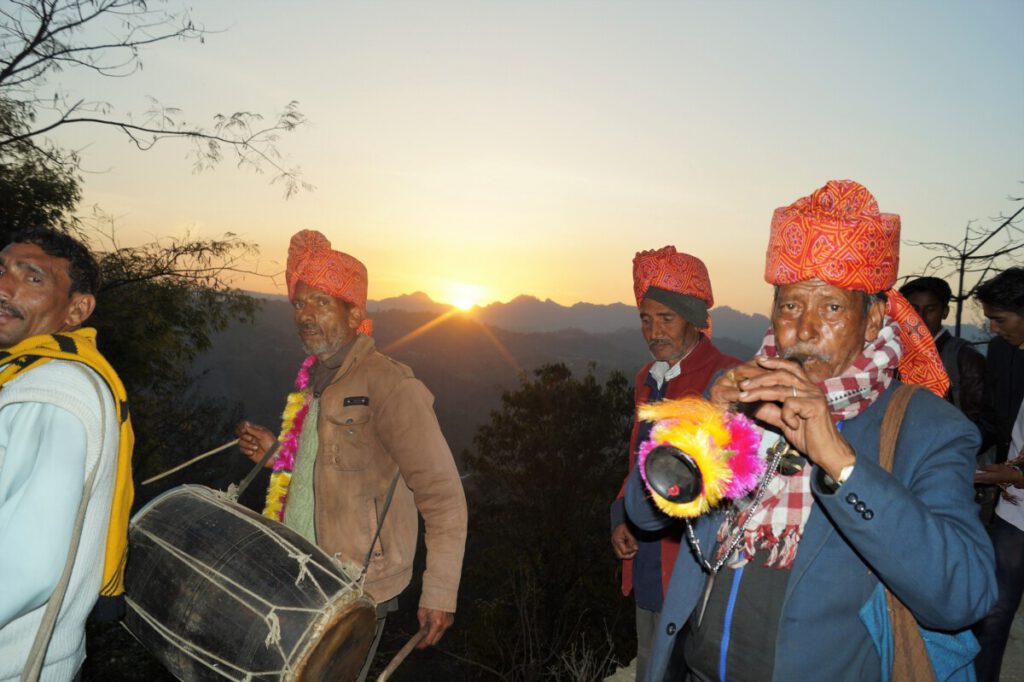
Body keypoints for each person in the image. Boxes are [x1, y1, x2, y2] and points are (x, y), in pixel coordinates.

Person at [625, 180, 996, 681]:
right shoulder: (735, 392)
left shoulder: (925, 428)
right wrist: (701, 427)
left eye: (832, 308)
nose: (803, 329)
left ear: (873, 320)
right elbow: (643, 516)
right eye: (790, 306)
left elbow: (965, 596)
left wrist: (841, 464)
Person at [237, 229, 467, 681]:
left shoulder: (390, 384)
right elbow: (329, 468)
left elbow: (442, 494)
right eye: (300, 304)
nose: (306, 315)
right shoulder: (316, 382)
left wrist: (439, 591)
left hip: (353, 585)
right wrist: (277, 453)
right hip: (295, 576)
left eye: (322, 303)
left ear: (355, 313)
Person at [0, 227, 134, 681]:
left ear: (78, 309)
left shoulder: (48, 390)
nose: (3, 286)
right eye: (1, 270)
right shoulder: (43, 373)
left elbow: (27, 567)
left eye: (32, 277)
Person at [611, 246, 740, 680]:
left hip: (696, 569)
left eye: (666, 318)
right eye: (646, 318)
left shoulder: (725, 379)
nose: (653, 330)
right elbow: (637, 462)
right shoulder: (648, 379)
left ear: (693, 317)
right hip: (648, 562)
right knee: (652, 663)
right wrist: (621, 518)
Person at [971, 266, 1024, 682]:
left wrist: (1008, 474)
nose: (992, 327)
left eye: (1001, 319)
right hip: (1014, 510)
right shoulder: (1010, 353)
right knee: (994, 608)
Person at [899, 276, 986, 425]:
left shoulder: (964, 357)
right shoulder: (893, 354)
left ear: (944, 312)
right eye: (913, 309)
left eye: (930, 309)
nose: (920, 317)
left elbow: (980, 419)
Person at [977, 267, 1024, 464]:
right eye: (990, 320)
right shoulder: (1000, 350)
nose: (993, 328)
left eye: (1000, 320)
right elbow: (991, 419)